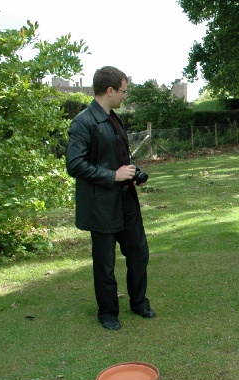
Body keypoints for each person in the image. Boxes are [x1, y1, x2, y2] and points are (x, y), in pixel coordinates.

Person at [66, 66, 155, 330]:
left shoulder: (115, 119)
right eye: (123, 91)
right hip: (101, 205)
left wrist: (133, 173)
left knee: (139, 253)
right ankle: (107, 312)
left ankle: (139, 303)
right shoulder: (83, 122)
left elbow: (118, 158)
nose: (125, 96)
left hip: (126, 200)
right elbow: (75, 164)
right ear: (109, 90)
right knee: (105, 263)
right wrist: (113, 176)